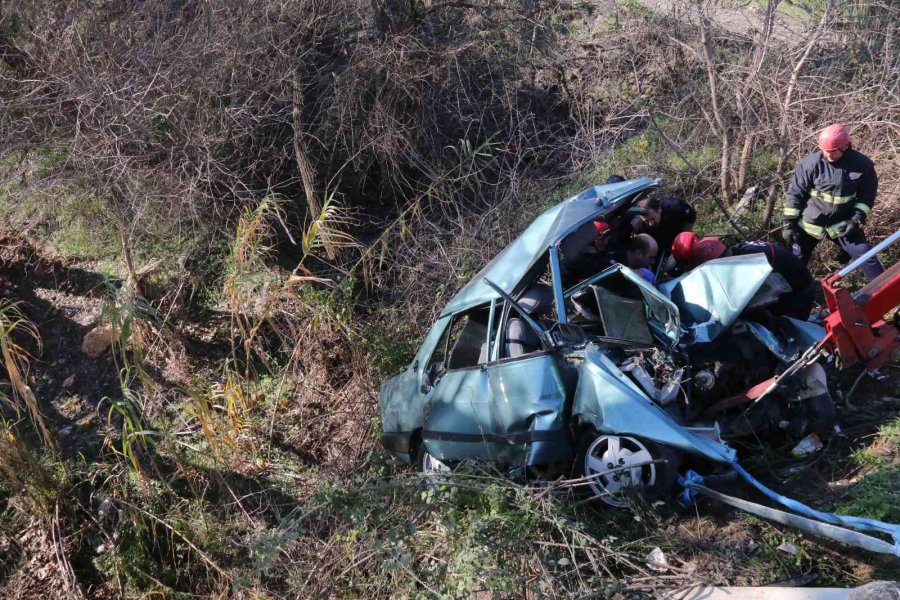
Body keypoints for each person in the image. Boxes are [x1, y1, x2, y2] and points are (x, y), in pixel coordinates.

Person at [782, 123, 883, 281]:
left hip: (843, 225)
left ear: (846, 146)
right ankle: (787, 301)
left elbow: (866, 196)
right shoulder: (810, 164)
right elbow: (796, 192)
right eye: (825, 151)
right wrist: (789, 223)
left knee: (867, 257)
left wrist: (856, 219)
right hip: (809, 225)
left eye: (833, 152)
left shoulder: (863, 165)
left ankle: (886, 294)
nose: (828, 155)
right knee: (794, 265)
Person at [673, 232, 815, 320]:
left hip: (799, 292)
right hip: (791, 281)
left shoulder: (747, 262)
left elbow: (750, 296)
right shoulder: (737, 252)